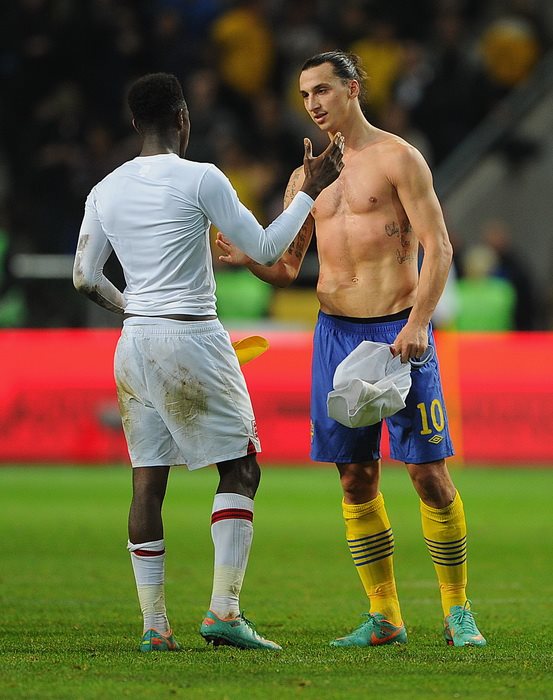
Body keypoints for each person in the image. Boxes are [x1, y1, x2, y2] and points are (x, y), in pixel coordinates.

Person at [216, 51, 486, 648]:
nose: (312, 104)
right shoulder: (305, 179)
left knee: (428, 474)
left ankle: (458, 611)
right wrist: (247, 262)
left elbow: (439, 247)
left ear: (353, 89)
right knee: (355, 479)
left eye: (321, 90)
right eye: (304, 95)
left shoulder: (398, 158)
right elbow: (287, 268)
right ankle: (385, 615)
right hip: (335, 335)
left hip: (400, 335)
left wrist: (419, 322)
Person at [73, 72, 344, 652]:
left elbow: (84, 277)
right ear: (183, 119)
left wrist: (135, 309)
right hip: (191, 333)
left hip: (134, 342)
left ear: (134, 123)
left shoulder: (104, 189)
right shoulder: (201, 177)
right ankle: (224, 611)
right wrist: (311, 190)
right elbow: (266, 248)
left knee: (148, 482)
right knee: (241, 468)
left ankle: (155, 626)